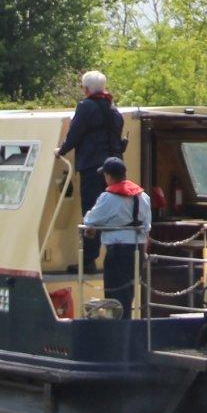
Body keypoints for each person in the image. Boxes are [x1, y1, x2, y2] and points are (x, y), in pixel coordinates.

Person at [57, 70, 124, 271]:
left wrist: (61, 150)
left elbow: (75, 134)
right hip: (113, 166)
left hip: (92, 167)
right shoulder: (113, 109)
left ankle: (88, 260)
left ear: (86, 89)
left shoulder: (86, 107)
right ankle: (114, 257)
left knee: (91, 212)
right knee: (113, 210)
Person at [79, 157, 151, 319]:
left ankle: (118, 330)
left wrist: (93, 228)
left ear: (109, 177)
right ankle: (127, 327)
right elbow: (147, 227)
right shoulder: (143, 197)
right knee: (130, 292)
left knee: (115, 296)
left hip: (118, 251)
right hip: (138, 250)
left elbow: (90, 219)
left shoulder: (109, 197)